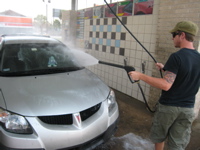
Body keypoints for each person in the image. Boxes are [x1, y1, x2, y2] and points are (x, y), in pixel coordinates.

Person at [129, 21, 200, 150]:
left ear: (182, 35)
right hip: (188, 109)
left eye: (174, 34)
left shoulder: (176, 56)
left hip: (169, 107)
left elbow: (166, 85)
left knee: (159, 136)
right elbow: (187, 74)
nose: (172, 38)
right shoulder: (198, 57)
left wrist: (140, 76)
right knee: (177, 144)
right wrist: (165, 69)